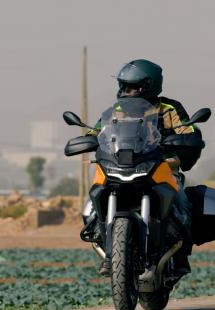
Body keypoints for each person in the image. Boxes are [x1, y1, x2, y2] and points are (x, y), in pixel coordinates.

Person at [88, 59, 205, 279]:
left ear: (148, 85)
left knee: (182, 203)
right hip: (122, 164)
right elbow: (97, 131)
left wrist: (187, 138)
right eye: (123, 85)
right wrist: (88, 139)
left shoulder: (168, 108)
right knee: (93, 197)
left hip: (161, 167)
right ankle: (105, 247)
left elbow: (188, 128)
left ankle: (181, 257)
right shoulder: (116, 110)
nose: (125, 90)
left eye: (131, 86)